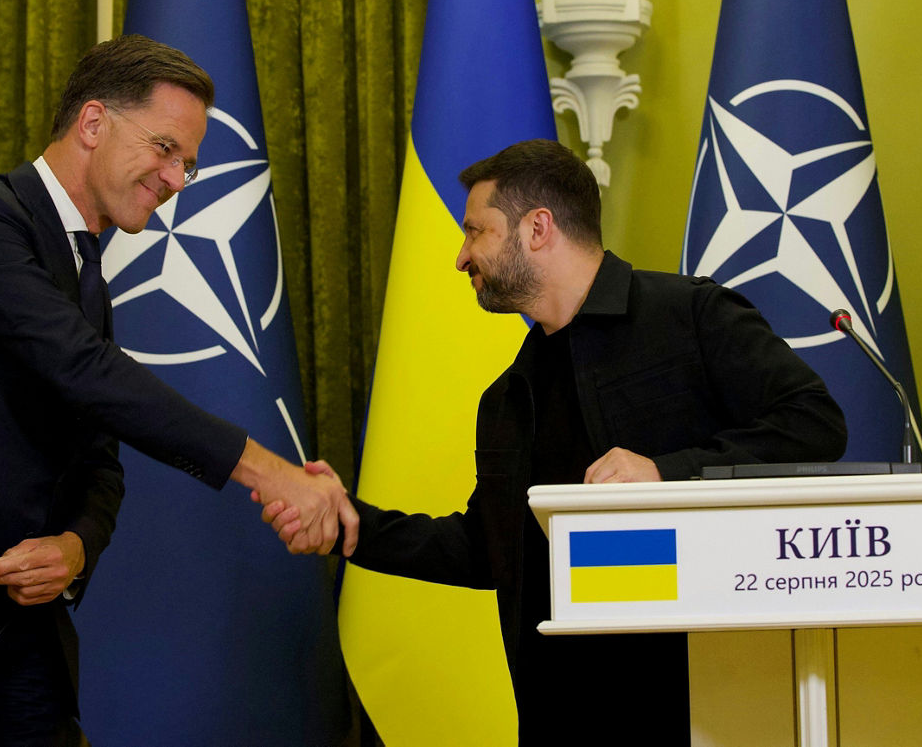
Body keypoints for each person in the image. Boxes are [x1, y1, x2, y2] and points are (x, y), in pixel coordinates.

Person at [0, 35, 357, 747]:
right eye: (167, 148)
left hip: (26, 641)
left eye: (190, 164)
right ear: (92, 123)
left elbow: (100, 459)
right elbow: (87, 371)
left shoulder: (86, 276)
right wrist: (269, 471)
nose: (178, 179)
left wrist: (76, 547)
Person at [266, 139, 847, 744]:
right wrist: (347, 523)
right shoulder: (507, 396)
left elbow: (813, 422)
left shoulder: (693, 315)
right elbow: (484, 549)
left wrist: (666, 473)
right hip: (558, 711)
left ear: (537, 227)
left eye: (476, 232)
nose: (461, 258)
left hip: (710, 702)